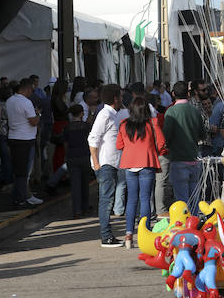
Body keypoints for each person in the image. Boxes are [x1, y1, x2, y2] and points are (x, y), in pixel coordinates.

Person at [116, 95, 166, 249]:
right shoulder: (152, 124)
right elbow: (162, 143)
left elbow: (119, 145)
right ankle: (144, 232)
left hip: (129, 164)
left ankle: (129, 234)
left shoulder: (124, 124)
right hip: (147, 162)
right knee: (145, 198)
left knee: (131, 199)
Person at [88, 83, 124, 247]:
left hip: (112, 163)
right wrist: (96, 162)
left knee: (107, 200)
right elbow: (93, 139)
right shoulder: (105, 115)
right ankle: (106, 236)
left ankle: (108, 234)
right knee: (106, 200)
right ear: (115, 98)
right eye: (120, 96)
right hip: (105, 164)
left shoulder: (112, 113)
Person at [163, 80, 205, 206]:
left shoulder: (171, 112)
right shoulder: (195, 111)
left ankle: (186, 224)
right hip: (194, 157)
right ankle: (195, 223)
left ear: (173, 94)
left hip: (178, 159)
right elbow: (203, 134)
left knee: (182, 200)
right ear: (188, 93)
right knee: (194, 198)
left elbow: (166, 136)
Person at [6, 78, 43, 208]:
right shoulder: (26, 102)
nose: (31, 93)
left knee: (18, 170)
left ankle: (18, 196)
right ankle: (22, 197)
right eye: (31, 90)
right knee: (24, 171)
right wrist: (39, 115)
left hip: (13, 137)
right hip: (25, 139)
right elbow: (33, 121)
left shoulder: (9, 100)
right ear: (27, 89)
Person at [63, 104, 92, 218]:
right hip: (84, 156)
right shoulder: (86, 126)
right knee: (85, 183)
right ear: (81, 114)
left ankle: (77, 210)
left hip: (72, 156)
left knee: (75, 184)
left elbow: (65, 143)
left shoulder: (67, 127)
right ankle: (85, 206)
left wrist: (67, 155)